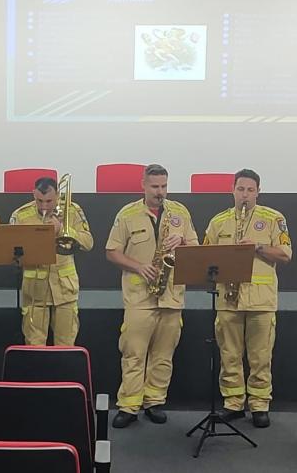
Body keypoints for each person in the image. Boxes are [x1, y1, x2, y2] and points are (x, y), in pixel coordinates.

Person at [106, 164, 198, 428]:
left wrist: (181, 243)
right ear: (143, 185)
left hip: (171, 295)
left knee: (163, 354)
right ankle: (129, 405)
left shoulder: (180, 213)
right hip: (139, 297)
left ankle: (155, 401)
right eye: (155, 186)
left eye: (164, 186)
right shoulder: (127, 214)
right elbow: (111, 251)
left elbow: (196, 248)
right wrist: (138, 266)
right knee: (133, 353)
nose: (160, 192)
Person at [204, 169, 292, 428]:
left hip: (260, 300)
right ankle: (233, 403)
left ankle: (259, 404)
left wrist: (258, 247)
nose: (245, 195)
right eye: (240, 189)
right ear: (232, 190)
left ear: (258, 192)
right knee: (229, 354)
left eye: (250, 190)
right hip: (228, 298)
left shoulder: (274, 218)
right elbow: (204, 255)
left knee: (260, 355)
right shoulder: (218, 221)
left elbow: (286, 255)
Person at [10, 177, 93, 346]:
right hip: (34, 291)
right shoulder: (21, 214)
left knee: (66, 345)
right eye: (39, 201)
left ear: (58, 195)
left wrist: (62, 230)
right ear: (33, 194)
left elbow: (88, 243)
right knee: (34, 345)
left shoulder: (72, 210)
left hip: (65, 290)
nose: (44, 206)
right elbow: (11, 253)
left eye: (49, 201)